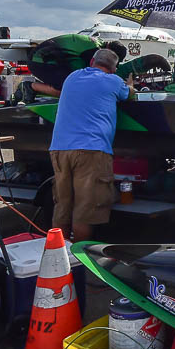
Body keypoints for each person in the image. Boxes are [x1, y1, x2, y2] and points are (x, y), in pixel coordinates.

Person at [49, 47, 134, 241]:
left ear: (91, 62)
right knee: (85, 210)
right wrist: (130, 84)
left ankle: (58, 253)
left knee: (62, 206)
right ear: (114, 69)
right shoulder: (113, 81)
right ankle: (80, 255)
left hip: (59, 149)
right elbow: (129, 94)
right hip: (92, 150)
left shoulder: (72, 77)